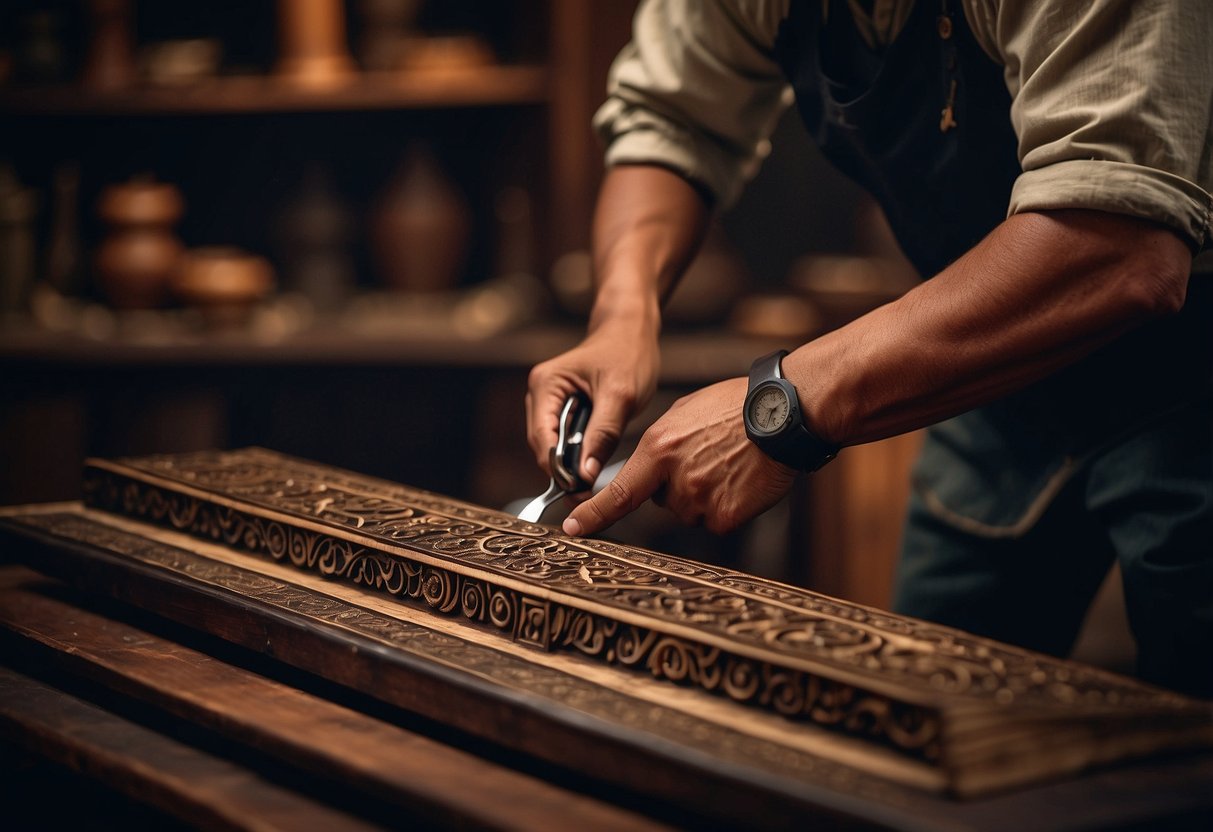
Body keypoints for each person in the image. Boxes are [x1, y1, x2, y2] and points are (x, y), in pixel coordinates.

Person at [524, 0, 1212, 698]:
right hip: (992, 381)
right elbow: (673, 121)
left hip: (1192, 373)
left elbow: (1121, 244)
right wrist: (621, 312)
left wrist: (778, 409)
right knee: (925, 713)